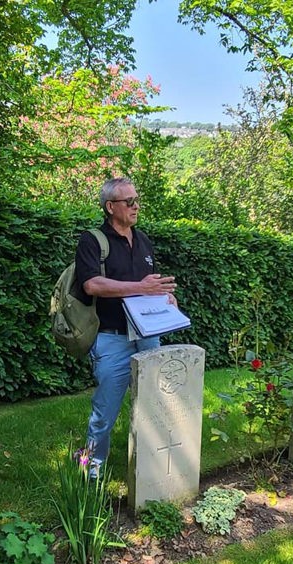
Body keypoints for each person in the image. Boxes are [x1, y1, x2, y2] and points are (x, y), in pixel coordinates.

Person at [74, 177, 177, 477]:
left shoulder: (143, 240)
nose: (136, 206)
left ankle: (153, 464)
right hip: (112, 338)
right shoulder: (93, 240)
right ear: (110, 207)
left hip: (147, 335)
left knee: (154, 403)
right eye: (129, 201)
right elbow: (91, 284)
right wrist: (140, 288)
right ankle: (90, 470)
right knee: (104, 412)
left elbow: (150, 285)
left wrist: (164, 295)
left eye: (137, 199)